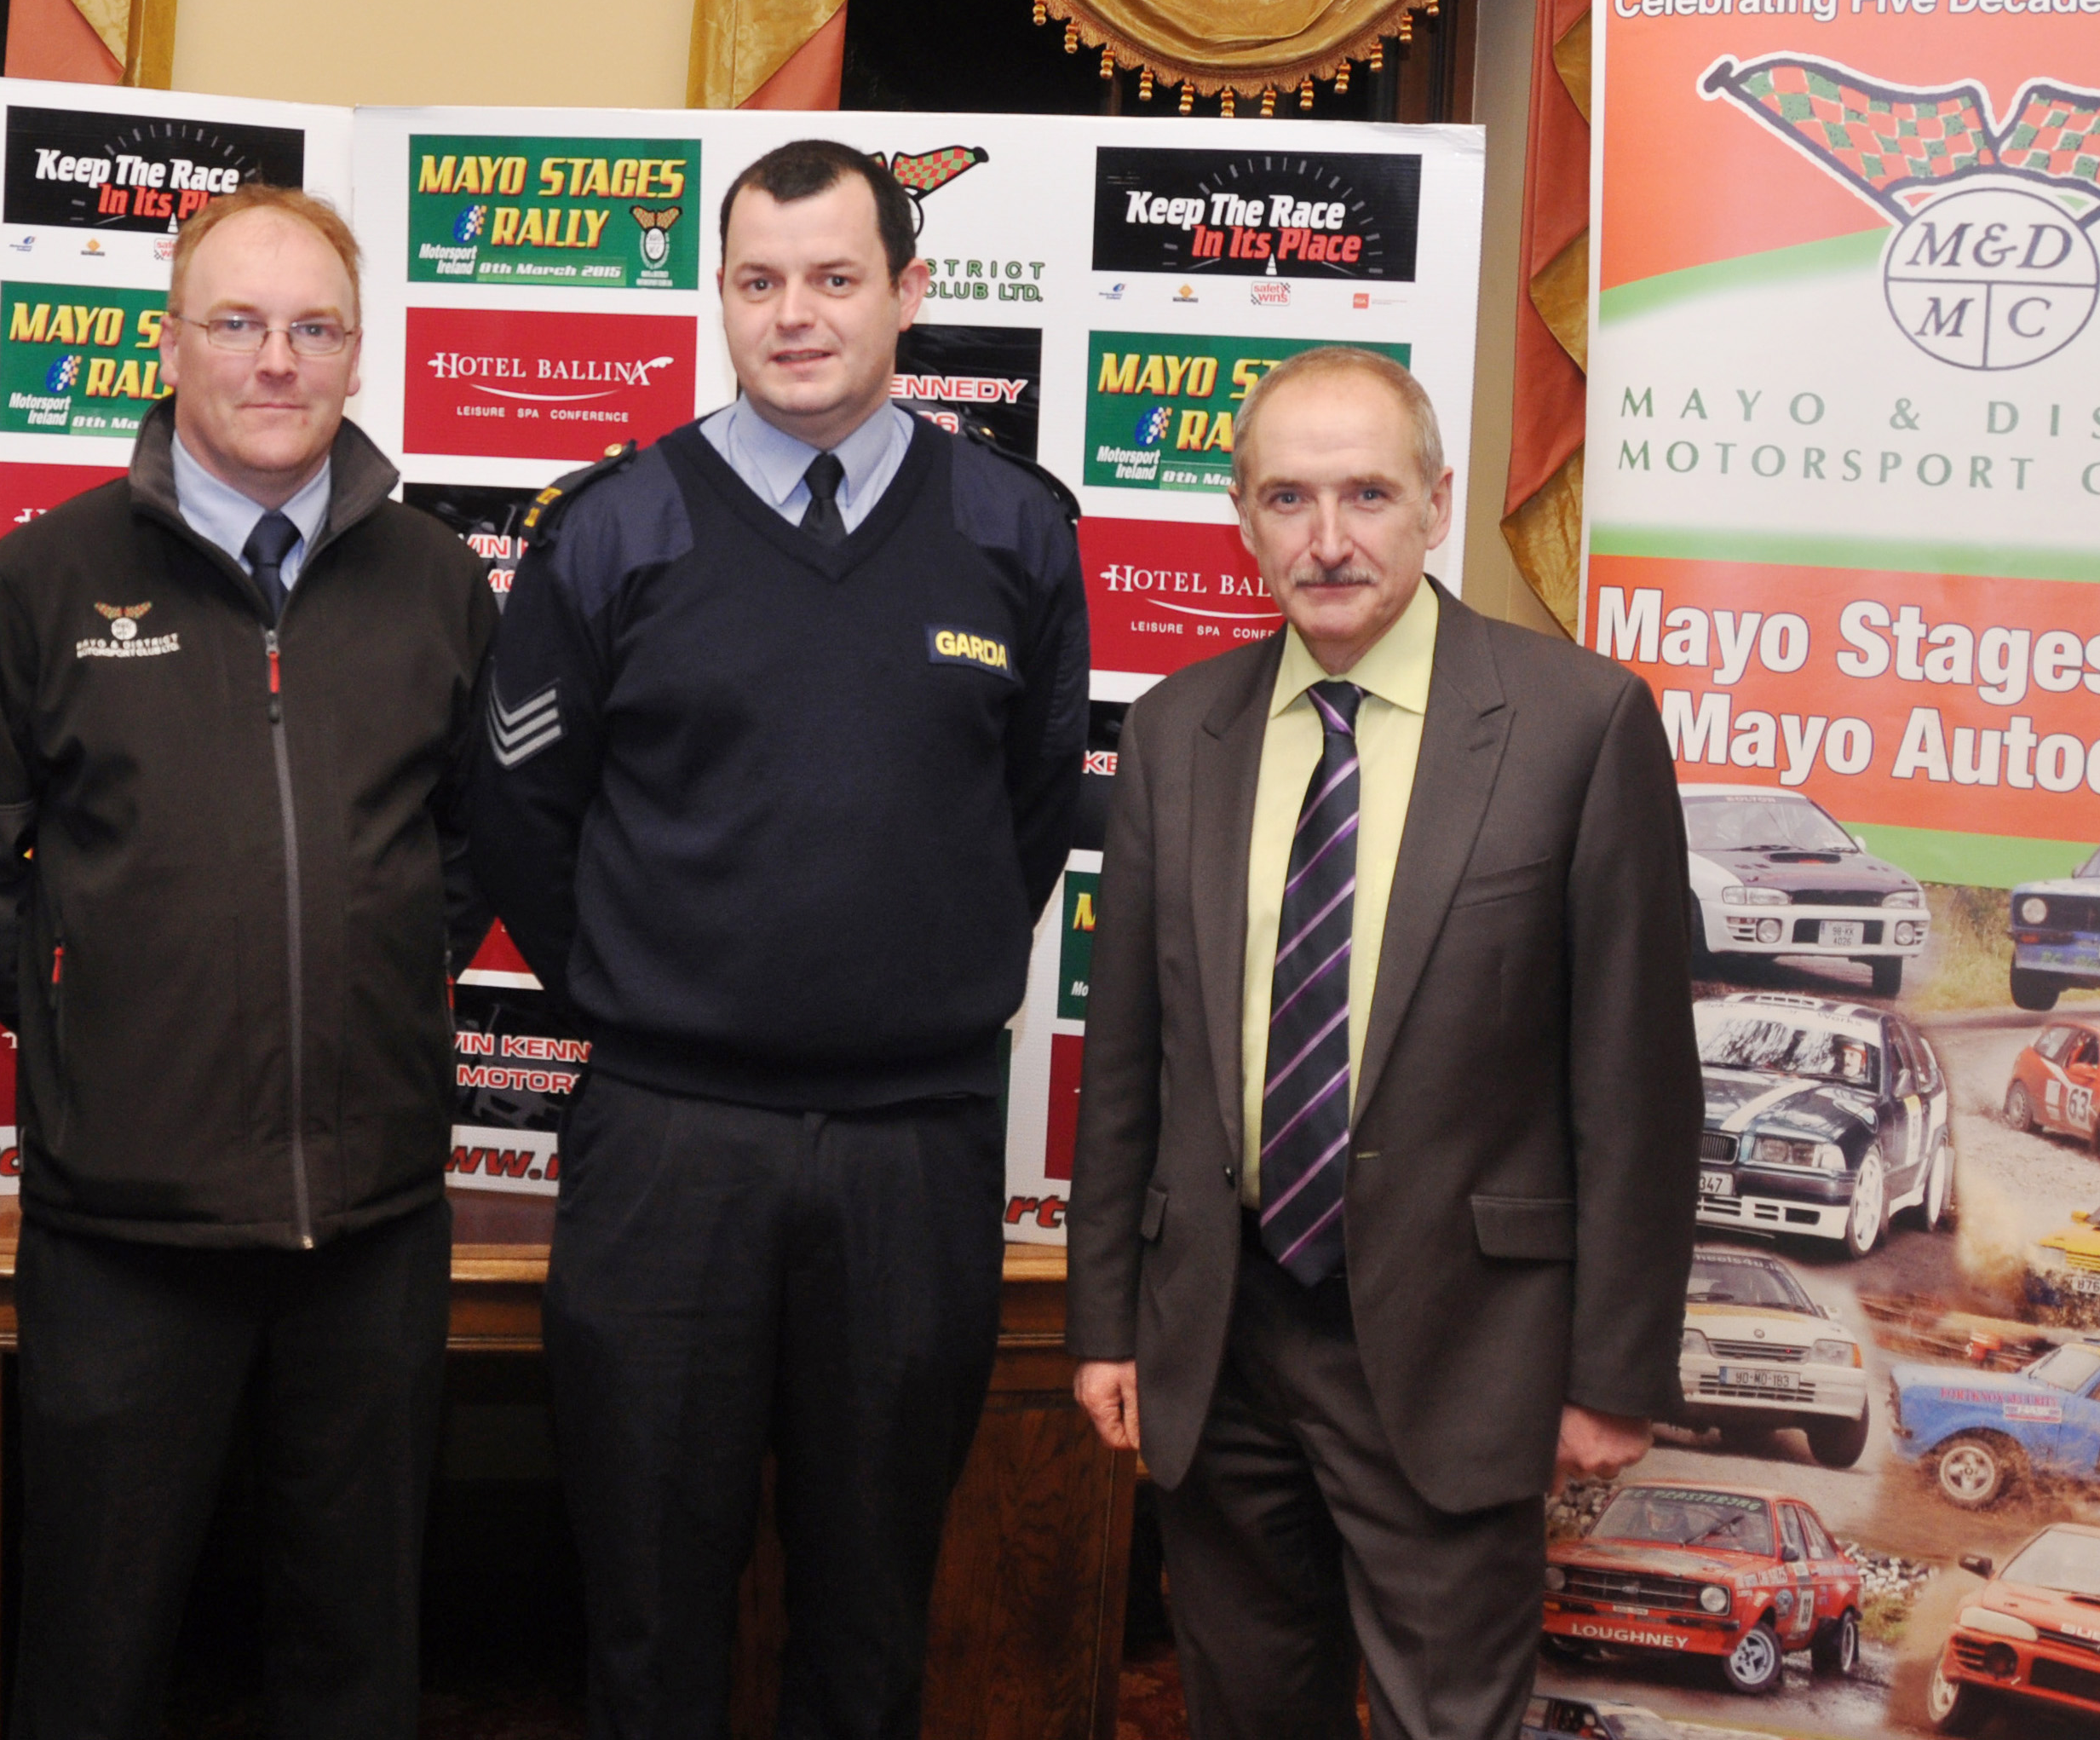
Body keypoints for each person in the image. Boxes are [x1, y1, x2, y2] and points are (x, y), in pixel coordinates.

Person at [471, 139, 1088, 1739]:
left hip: (914, 1148)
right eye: (758, 282)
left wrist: (910, 976)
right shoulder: (613, 528)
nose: (795, 315)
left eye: (833, 278)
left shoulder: (1014, 530)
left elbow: (1026, 817)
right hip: (667, 1148)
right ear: (721, 299)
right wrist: (639, 994)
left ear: (909, 294)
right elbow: (523, 810)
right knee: (645, 1620)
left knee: (873, 1613)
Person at [0, 183, 496, 1740]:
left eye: (311, 328)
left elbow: (480, 842)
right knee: (94, 1650)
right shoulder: (42, 579)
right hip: (122, 1234)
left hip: (370, 1223)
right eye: (235, 323)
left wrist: (362, 984)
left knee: (354, 1655)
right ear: (167, 345)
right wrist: (91, 1005)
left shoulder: (439, 578)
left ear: (360, 353)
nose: (274, 360)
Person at [1063, 346, 1699, 1740]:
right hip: (1217, 1336)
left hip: (1460, 1344)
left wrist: (1610, 1373)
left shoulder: (1576, 725)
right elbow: (1127, 1059)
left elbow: (1638, 1085)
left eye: (1366, 493)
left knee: (1444, 1722)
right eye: (1287, 498)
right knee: (1242, 1710)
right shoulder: (1176, 731)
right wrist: (1106, 1317)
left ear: (1435, 502)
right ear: (1240, 521)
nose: (1329, 538)